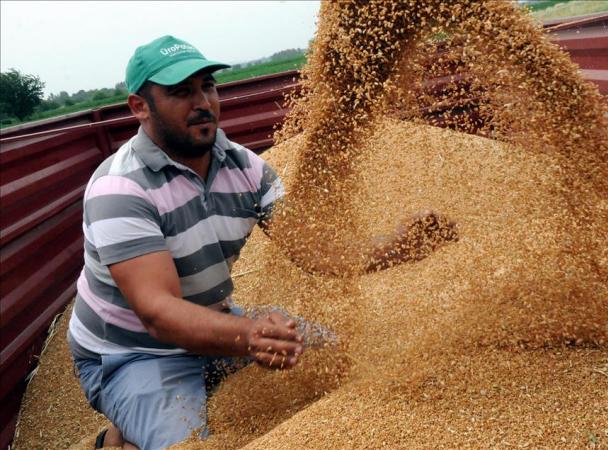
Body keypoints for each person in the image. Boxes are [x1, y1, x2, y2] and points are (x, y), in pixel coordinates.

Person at [67, 35, 457, 450]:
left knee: (330, 358)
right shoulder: (120, 188)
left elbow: (314, 248)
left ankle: (141, 421)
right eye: (181, 92)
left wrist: (397, 246)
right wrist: (248, 335)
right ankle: (117, 436)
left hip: (214, 323)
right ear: (139, 107)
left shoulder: (245, 167)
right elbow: (157, 313)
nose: (202, 102)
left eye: (208, 87)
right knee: (191, 444)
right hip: (133, 352)